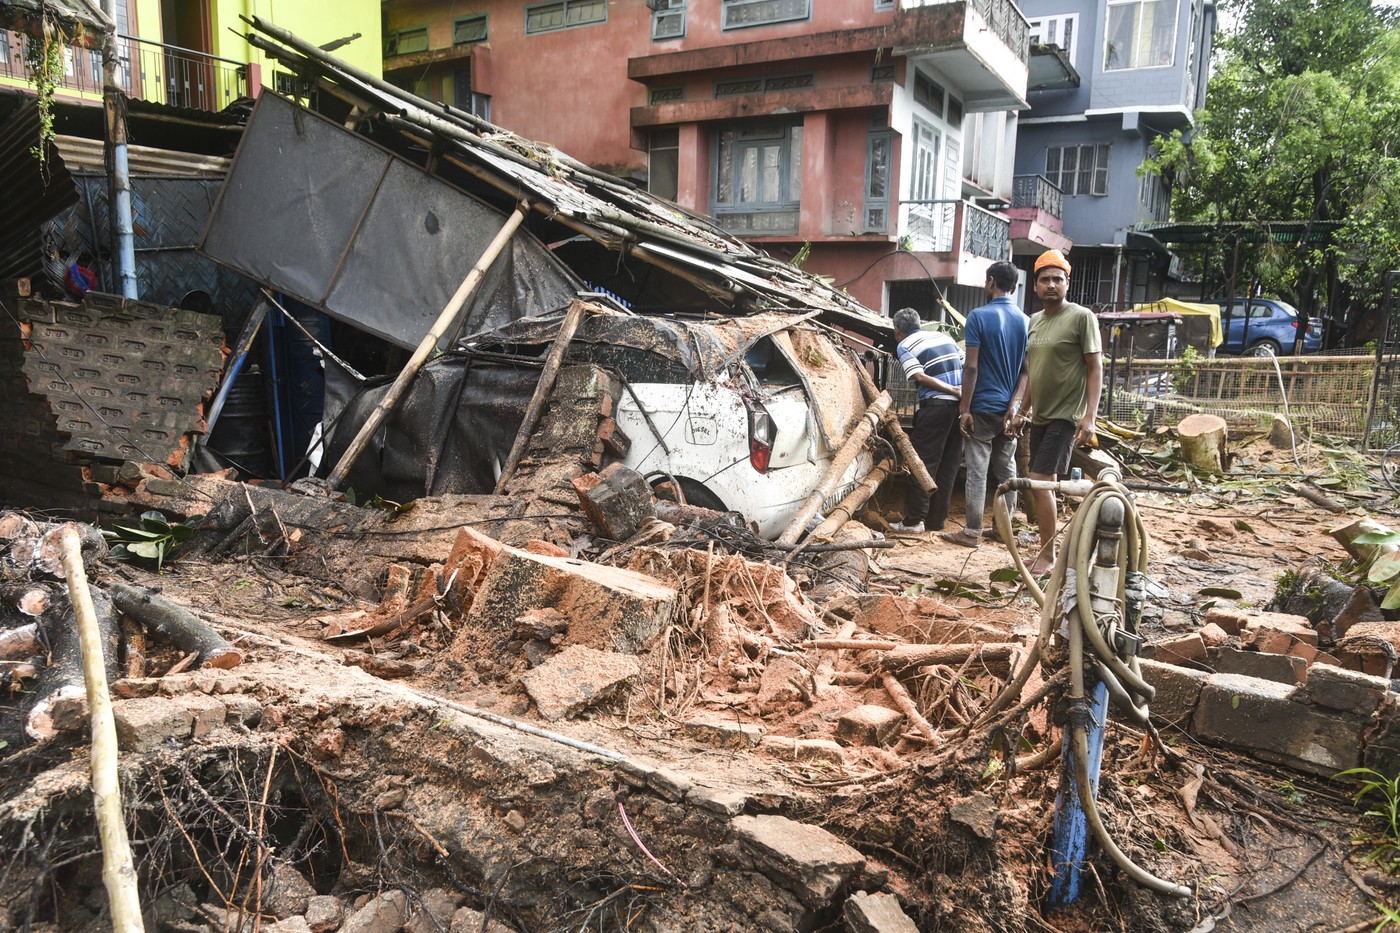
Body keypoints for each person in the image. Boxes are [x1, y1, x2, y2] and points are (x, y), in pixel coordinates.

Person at [1006, 250, 1102, 573]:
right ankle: (1052, 551)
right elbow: (1034, 372)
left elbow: (1094, 366)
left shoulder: (1081, 317)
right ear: (1035, 285)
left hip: (1066, 416)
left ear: (1067, 283)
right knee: (1044, 484)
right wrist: (1022, 411)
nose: (1051, 285)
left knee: (1040, 481)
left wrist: (1090, 415)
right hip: (1042, 417)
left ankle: (1048, 556)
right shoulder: (1034, 321)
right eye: (1045, 279)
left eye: (1057, 279)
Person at [941, 260, 1027, 548]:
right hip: (1008, 411)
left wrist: (965, 409)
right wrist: (1015, 408)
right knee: (1007, 470)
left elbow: (972, 368)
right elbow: (1027, 371)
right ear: (1014, 286)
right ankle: (1004, 529)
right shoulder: (1027, 321)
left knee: (977, 471)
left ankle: (972, 532)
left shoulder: (978, 316)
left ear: (991, 282)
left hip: (982, 407)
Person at [890, 307, 963, 534]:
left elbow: (919, 376)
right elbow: (968, 366)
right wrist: (962, 392)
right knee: (948, 465)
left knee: (921, 463)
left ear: (898, 331)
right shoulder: (944, 337)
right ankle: (936, 521)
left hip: (936, 406)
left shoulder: (904, 345)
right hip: (960, 408)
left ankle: (913, 522)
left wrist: (949, 388)